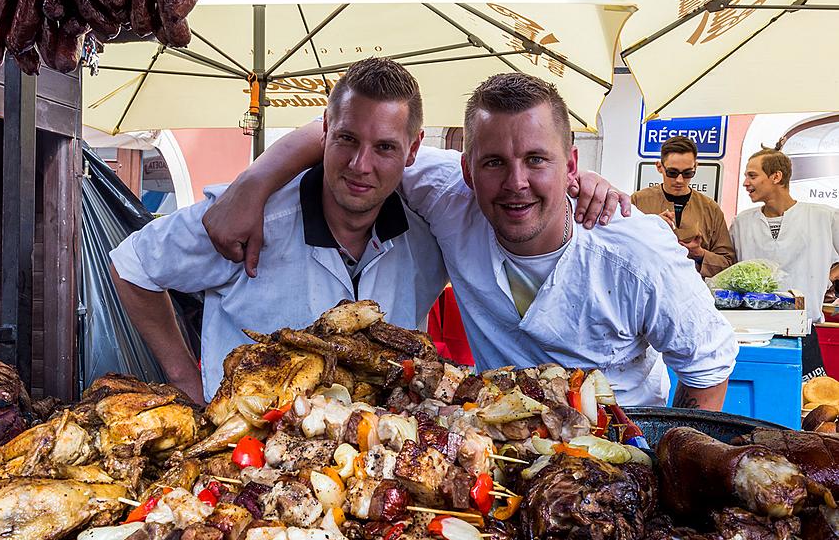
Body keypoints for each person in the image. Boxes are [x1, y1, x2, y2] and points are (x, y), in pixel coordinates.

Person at [207, 72, 737, 410]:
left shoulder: (636, 252)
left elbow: (707, 369)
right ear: (465, 167)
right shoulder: (448, 194)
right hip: (503, 446)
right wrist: (253, 185)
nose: (515, 183)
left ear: (572, 164)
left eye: (537, 159)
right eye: (494, 162)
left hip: (624, 445)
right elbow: (349, 134)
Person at [109, 58, 623, 404]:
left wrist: (579, 181)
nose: (360, 165)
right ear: (324, 132)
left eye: (385, 148)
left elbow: (513, 186)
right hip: (245, 466)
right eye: (347, 139)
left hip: (376, 476)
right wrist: (182, 377)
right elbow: (132, 266)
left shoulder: (431, 227)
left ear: (413, 150)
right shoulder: (248, 218)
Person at [731, 147, 839, 380]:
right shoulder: (741, 223)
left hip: (803, 331)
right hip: (751, 332)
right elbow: (728, 268)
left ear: (776, 176)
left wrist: (829, 276)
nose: (745, 183)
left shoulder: (824, 216)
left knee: (805, 403)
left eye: (752, 175)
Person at [631, 136, 735, 278]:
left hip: (693, 293)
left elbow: (728, 263)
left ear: (696, 167)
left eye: (687, 173)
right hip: (646, 287)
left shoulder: (710, 209)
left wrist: (700, 254)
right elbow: (621, 248)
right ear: (659, 167)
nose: (679, 180)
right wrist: (650, 226)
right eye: (672, 173)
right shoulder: (638, 201)